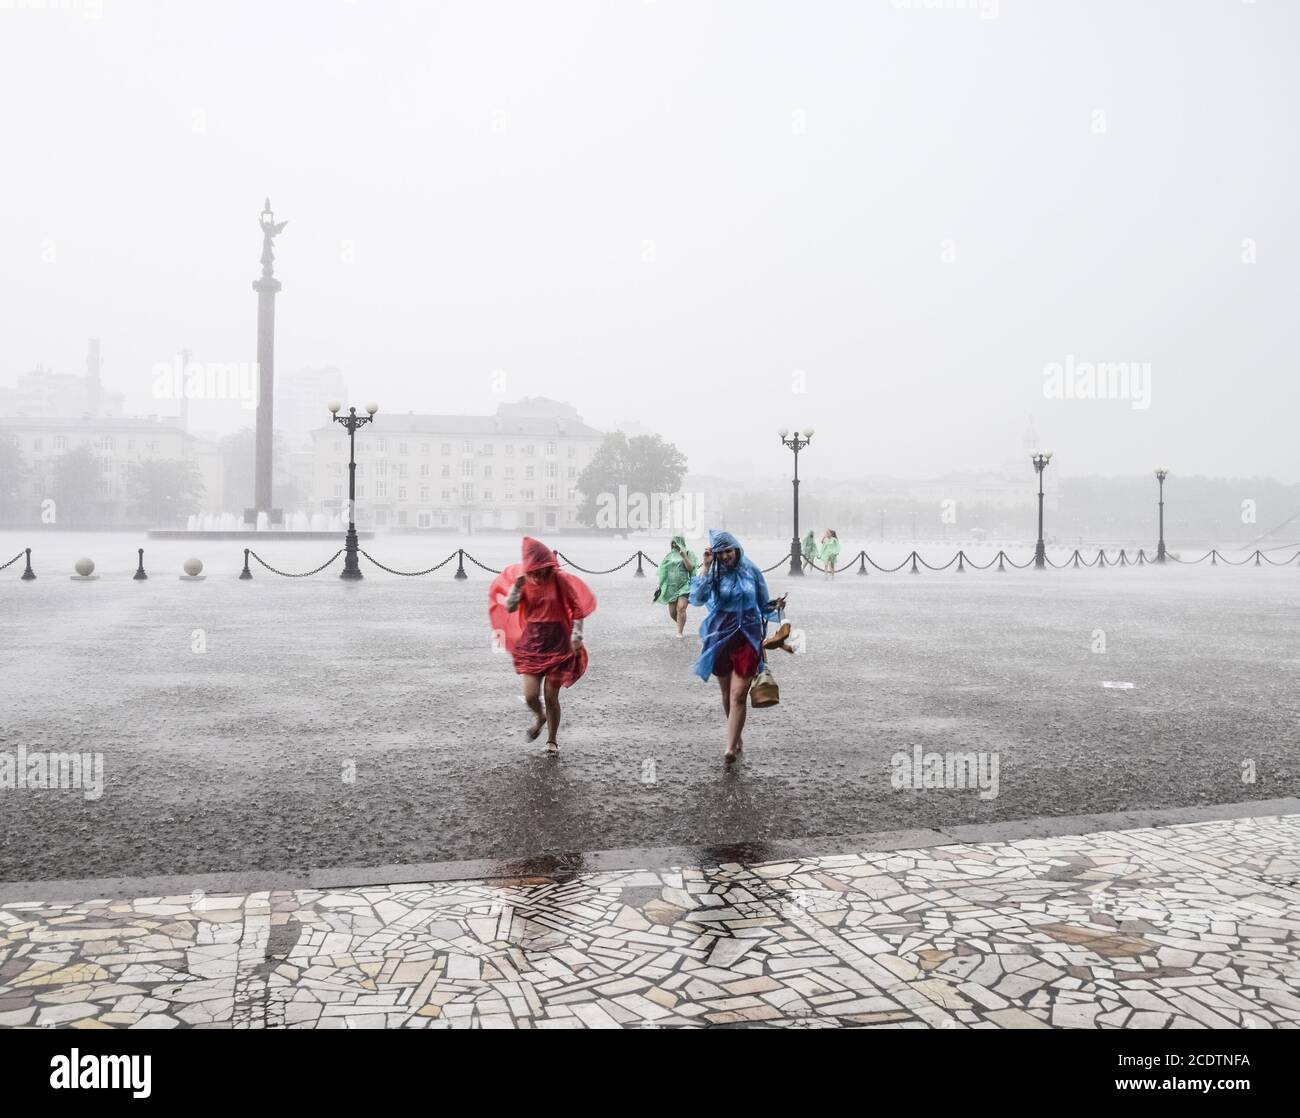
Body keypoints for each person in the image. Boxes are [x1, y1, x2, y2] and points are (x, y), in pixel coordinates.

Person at [487, 537, 596, 755]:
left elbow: (577, 608)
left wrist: (577, 635)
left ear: (547, 565)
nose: (536, 575)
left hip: (559, 643)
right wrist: (516, 588)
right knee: (529, 695)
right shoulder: (524, 581)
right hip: (533, 644)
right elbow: (509, 607)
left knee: (551, 696)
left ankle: (552, 741)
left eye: (540, 570)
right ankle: (540, 716)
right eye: (532, 570)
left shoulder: (559, 581)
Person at [690, 529, 786, 763]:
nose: (725, 557)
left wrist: (776, 606)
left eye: (728, 551)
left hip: (748, 636)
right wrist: (705, 566)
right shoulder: (714, 572)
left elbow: (763, 604)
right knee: (726, 692)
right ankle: (736, 736)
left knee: (738, 692)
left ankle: (730, 748)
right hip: (721, 635)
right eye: (720, 553)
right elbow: (698, 598)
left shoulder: (751, 570)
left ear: (737, 549)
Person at [654, 534, 697, 637]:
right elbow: (663, 571)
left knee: (681, 608)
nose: (674, 545)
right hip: (671, 587)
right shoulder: (669, 556)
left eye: (676, 542)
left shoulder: (688, 553)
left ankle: (679, 632)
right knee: (673, 613)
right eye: (673, 543)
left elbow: (691, 568)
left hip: (684, 585)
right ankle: (681, 623)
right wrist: (659, 584)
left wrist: (684, 557)